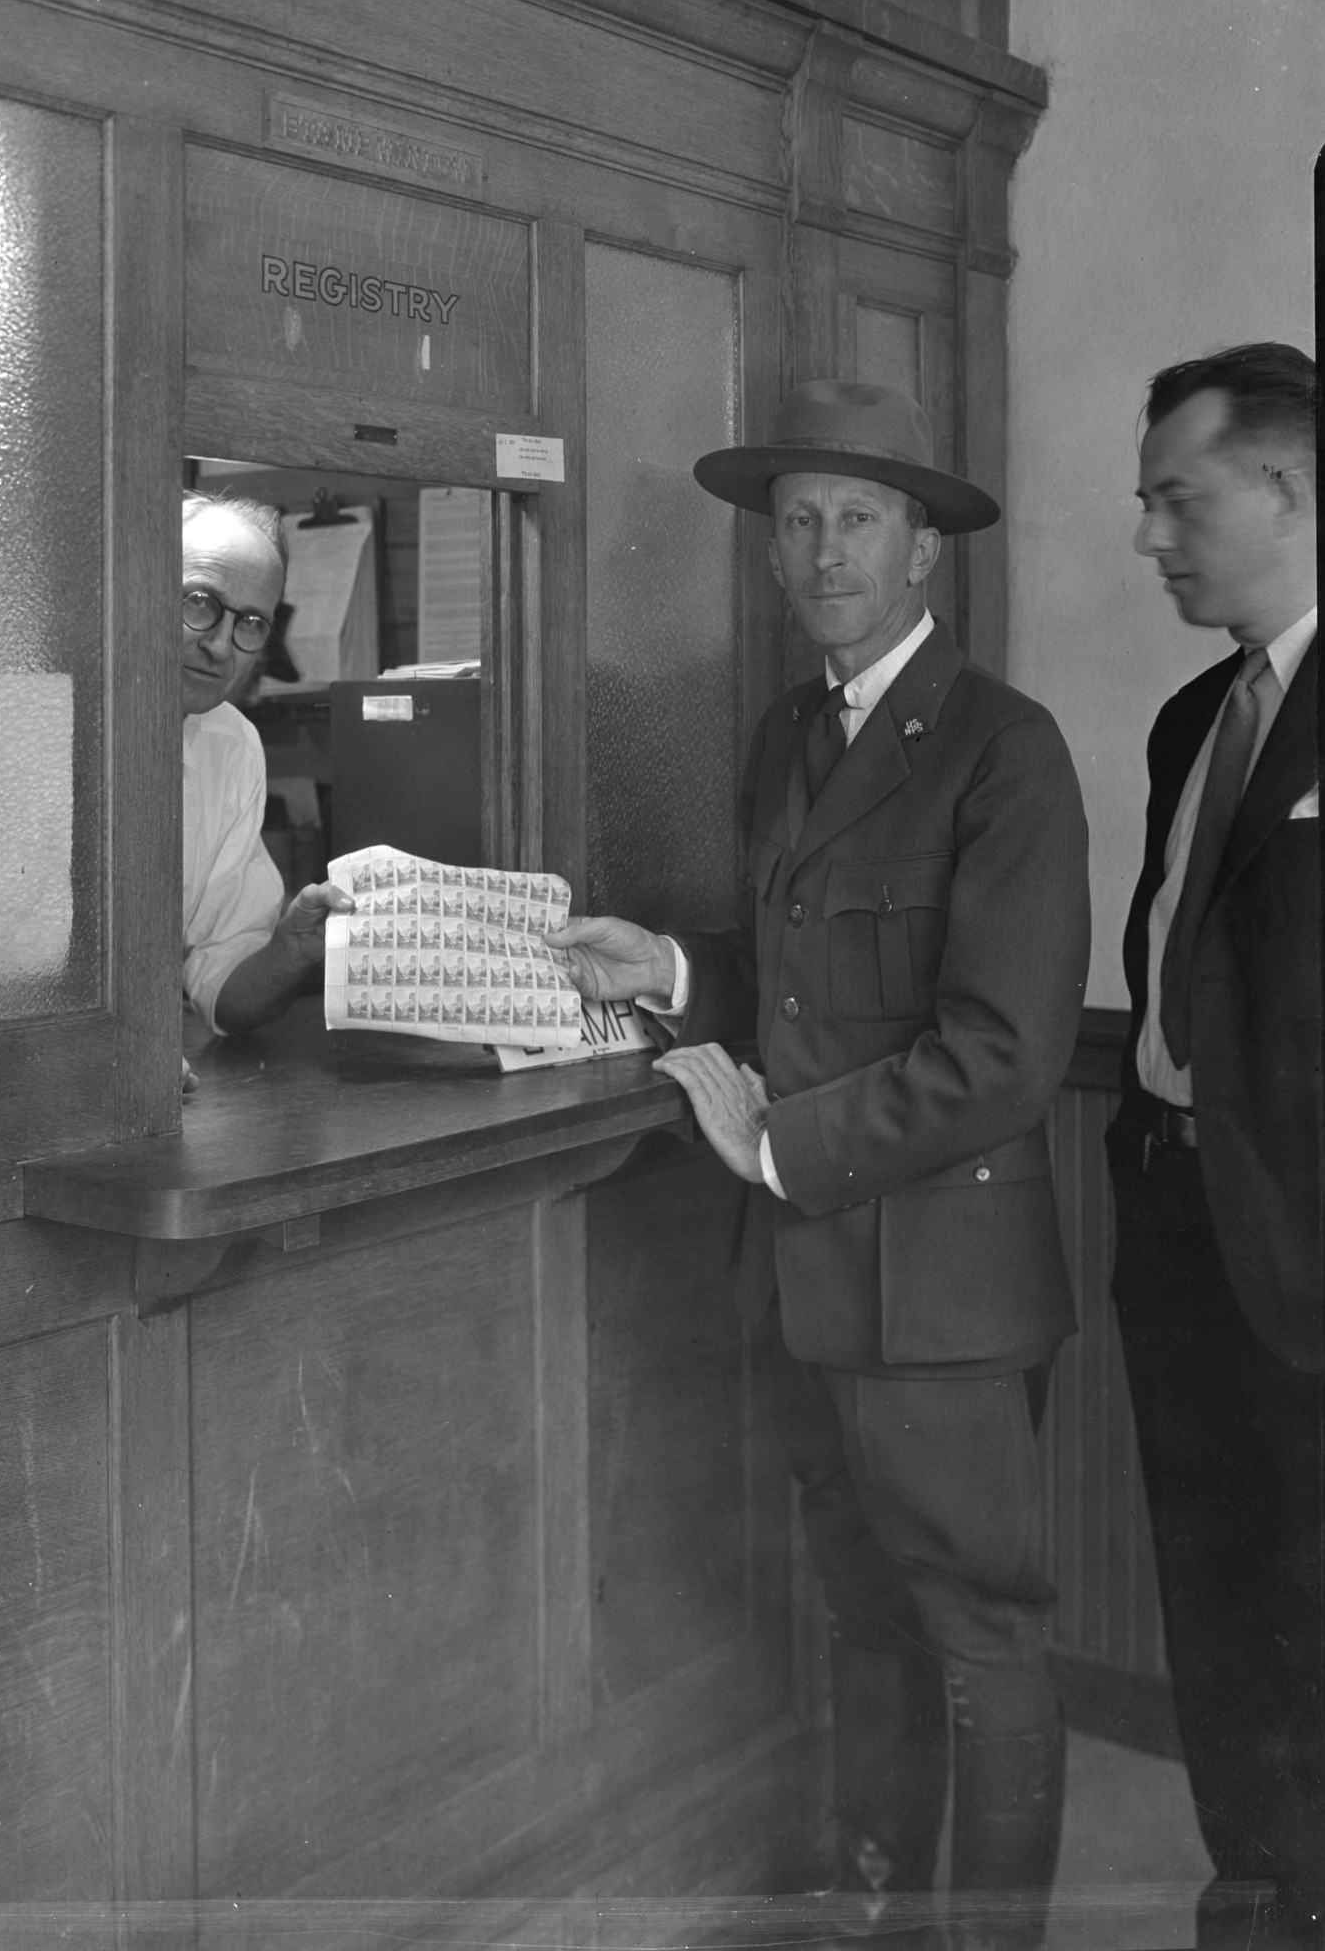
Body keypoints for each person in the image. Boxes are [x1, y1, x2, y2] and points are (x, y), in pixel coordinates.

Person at [549, 382, 1091, 1947]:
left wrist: (776, 1141)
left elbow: (1002, 1052)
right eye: (799, 523)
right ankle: (877, 1916)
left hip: (944, 1293)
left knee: (979, 1638)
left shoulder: (1005, 751)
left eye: (859, 518)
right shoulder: (796, 730)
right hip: (813, 1280)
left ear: (927, 552)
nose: (824, 548)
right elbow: (796, 983)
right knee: (868, 1617)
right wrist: (660, 963)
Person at [1105, 344, 1321, 1950]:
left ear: (1291, 491)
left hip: (1310, 1238)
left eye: (1180, 500)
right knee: (1213, 1572)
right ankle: (1253, 1875)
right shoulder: (1197, 717)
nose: (1153, 539)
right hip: (1175, 1209)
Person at [181, 491, 352, 1037]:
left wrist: (290, 952)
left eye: (251, 623)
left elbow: (223, 990)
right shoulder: (36, 724)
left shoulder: (231, 745)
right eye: (200, 601)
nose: (221, 646)